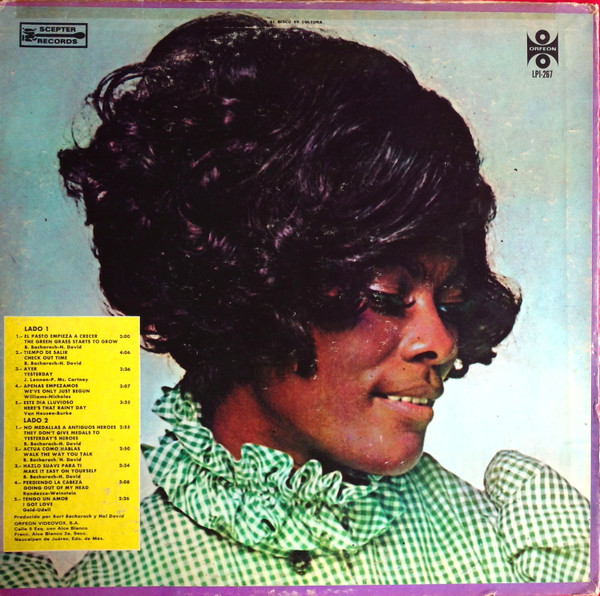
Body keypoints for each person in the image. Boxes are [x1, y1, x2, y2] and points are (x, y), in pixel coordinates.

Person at [1, 13, 589, 587]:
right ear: (250, 290)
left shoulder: (519, 547)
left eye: (451, 299)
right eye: (387, 294)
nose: (441, 342)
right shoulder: (114, 582)